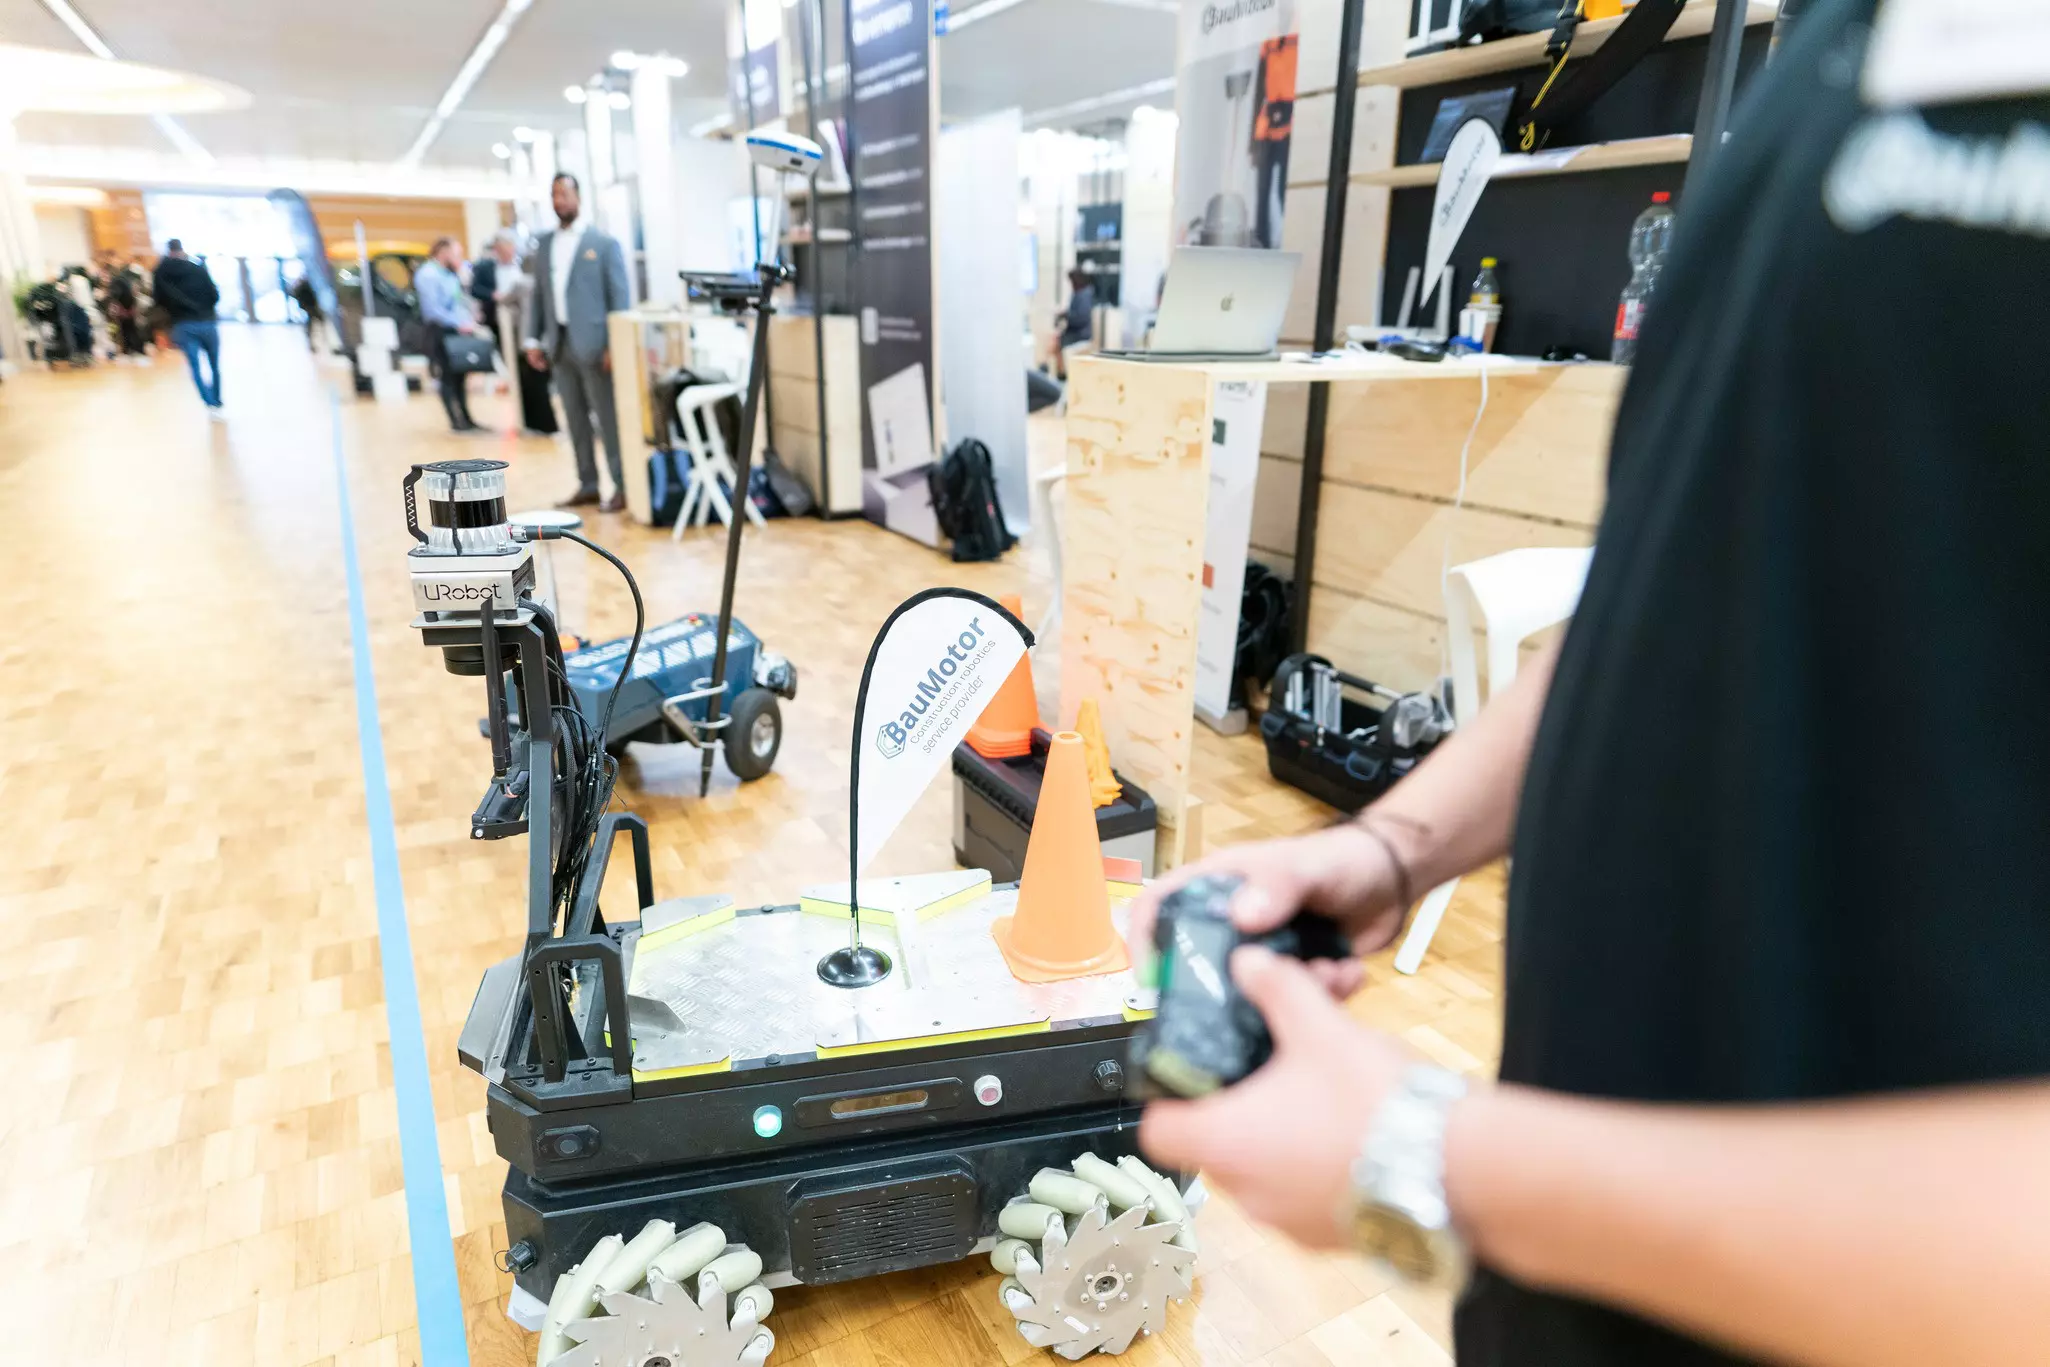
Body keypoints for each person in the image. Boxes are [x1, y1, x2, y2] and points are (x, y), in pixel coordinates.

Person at [1129, 4, 2050, 1366]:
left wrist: (1419, 1148)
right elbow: (1668, 590)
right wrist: (1392, 844)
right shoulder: (1832, 56)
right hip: (1576, 1286)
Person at [524, 173, 631, 512]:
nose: (560, 201)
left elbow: (620, 299)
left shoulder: (603, 244)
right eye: (554, 195)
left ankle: (623, 485)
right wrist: (532, 338)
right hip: (559, 343)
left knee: (607, 418)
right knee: (574, 419)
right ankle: (588, 483)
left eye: (565, 194)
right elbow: (538, 295)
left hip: (596, 345)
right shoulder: (544, 245)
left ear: (579, 197)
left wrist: (616, 345)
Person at [491, 232, 558, 437]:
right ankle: (546, 426)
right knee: (539, 385)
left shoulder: (523, 285)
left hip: (528, 341)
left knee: (533, 386)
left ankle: (540, 425)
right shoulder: (545, 285)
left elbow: (502, 300)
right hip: (545, 341)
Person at [415, 237, 481, 433]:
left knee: (460, 375)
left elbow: (459, 300)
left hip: (458, 329)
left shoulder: (450, 274)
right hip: (440, 330)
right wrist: (458, 323)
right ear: (443, 252)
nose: (459, 258)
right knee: (447, 376)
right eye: (456, 254)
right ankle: (455, 420)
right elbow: (432, 309)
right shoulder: (427, 274)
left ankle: (467, 418)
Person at [151, 239, 223, 418]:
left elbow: (158, 299)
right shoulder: (197, 268)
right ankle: (217, 398)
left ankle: (209, 402)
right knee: (214, 364)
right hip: (207, 321)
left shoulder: (161, 272)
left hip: (182, 323)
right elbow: (214, 294)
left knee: (195, 366)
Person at [1048, 268, 1095, 379]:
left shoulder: (1084, 296)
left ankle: (1062, 373)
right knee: (1056, 340)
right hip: (1076, 331)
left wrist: (1067, 316)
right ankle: (1060, 372)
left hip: (1081, 333)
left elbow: (1082, 318)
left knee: (1058, 341)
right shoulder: (1078, 294)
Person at [469, 237, 501, 344]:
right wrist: (492, 294)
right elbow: (474, 289)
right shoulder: (482, 266)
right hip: (489, 313)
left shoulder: (511, 264)